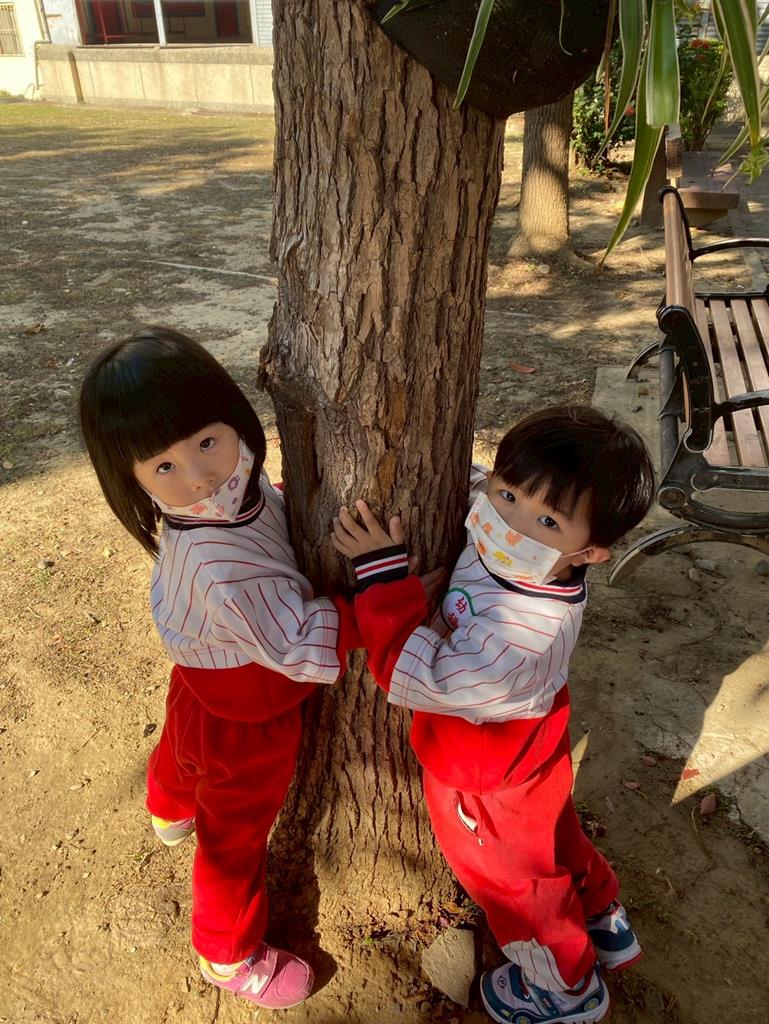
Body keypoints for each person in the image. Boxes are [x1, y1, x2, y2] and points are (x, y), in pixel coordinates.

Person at [331, 405, 656, 1024]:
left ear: (590, 553)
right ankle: (601, 914)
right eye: (507, 494)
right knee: (554, 836)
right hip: (531, 746)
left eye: (546, 521)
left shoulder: (523, 635)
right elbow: (494, 489)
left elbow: (416, 675)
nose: (508, 524)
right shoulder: (530, 555)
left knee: (512, 881)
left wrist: (382, 580)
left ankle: (565, 988)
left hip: (486, 775)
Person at [79, 327, 359, 1010]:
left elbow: (259, 509)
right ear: (130, 479)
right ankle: (225, 954)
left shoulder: (229, 494)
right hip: (249, 711)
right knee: (234, 835)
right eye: (163, 467)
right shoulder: (218, 562)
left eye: (206, 443)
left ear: (235, 420)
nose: (199, 477)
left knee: (181, 747)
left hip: (198, 672)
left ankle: (167, 809)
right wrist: (376, 610)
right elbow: (299, 639)